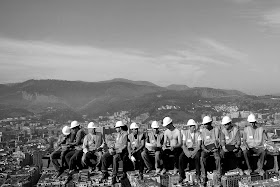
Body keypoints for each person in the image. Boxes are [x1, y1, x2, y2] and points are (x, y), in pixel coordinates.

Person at [179, 119, 201, 184]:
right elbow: (183, 145)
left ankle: (198, 174)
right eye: (192, 126)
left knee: (197, 158)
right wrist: (187, 153)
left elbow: (199, 145)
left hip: (195, 149)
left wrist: (193, 153)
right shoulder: (185, 133)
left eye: (194, 125)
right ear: (189, 127)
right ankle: (181, 175)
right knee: (181, 157)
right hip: (188, 149)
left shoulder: (198, 133)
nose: (194, 127)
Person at [200, 116, 221, 185]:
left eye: (206, 124)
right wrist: (205, 149)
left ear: (210, 123)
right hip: (206, 148)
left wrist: (216, 147)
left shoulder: (216, 130)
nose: (205, 125)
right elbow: (202, 144)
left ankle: (218, 175)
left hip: (215, 148)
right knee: (202, 158)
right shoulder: (203, 131)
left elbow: (220, 141)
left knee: (217, 158)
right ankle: (204, 176)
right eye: (204, 124)